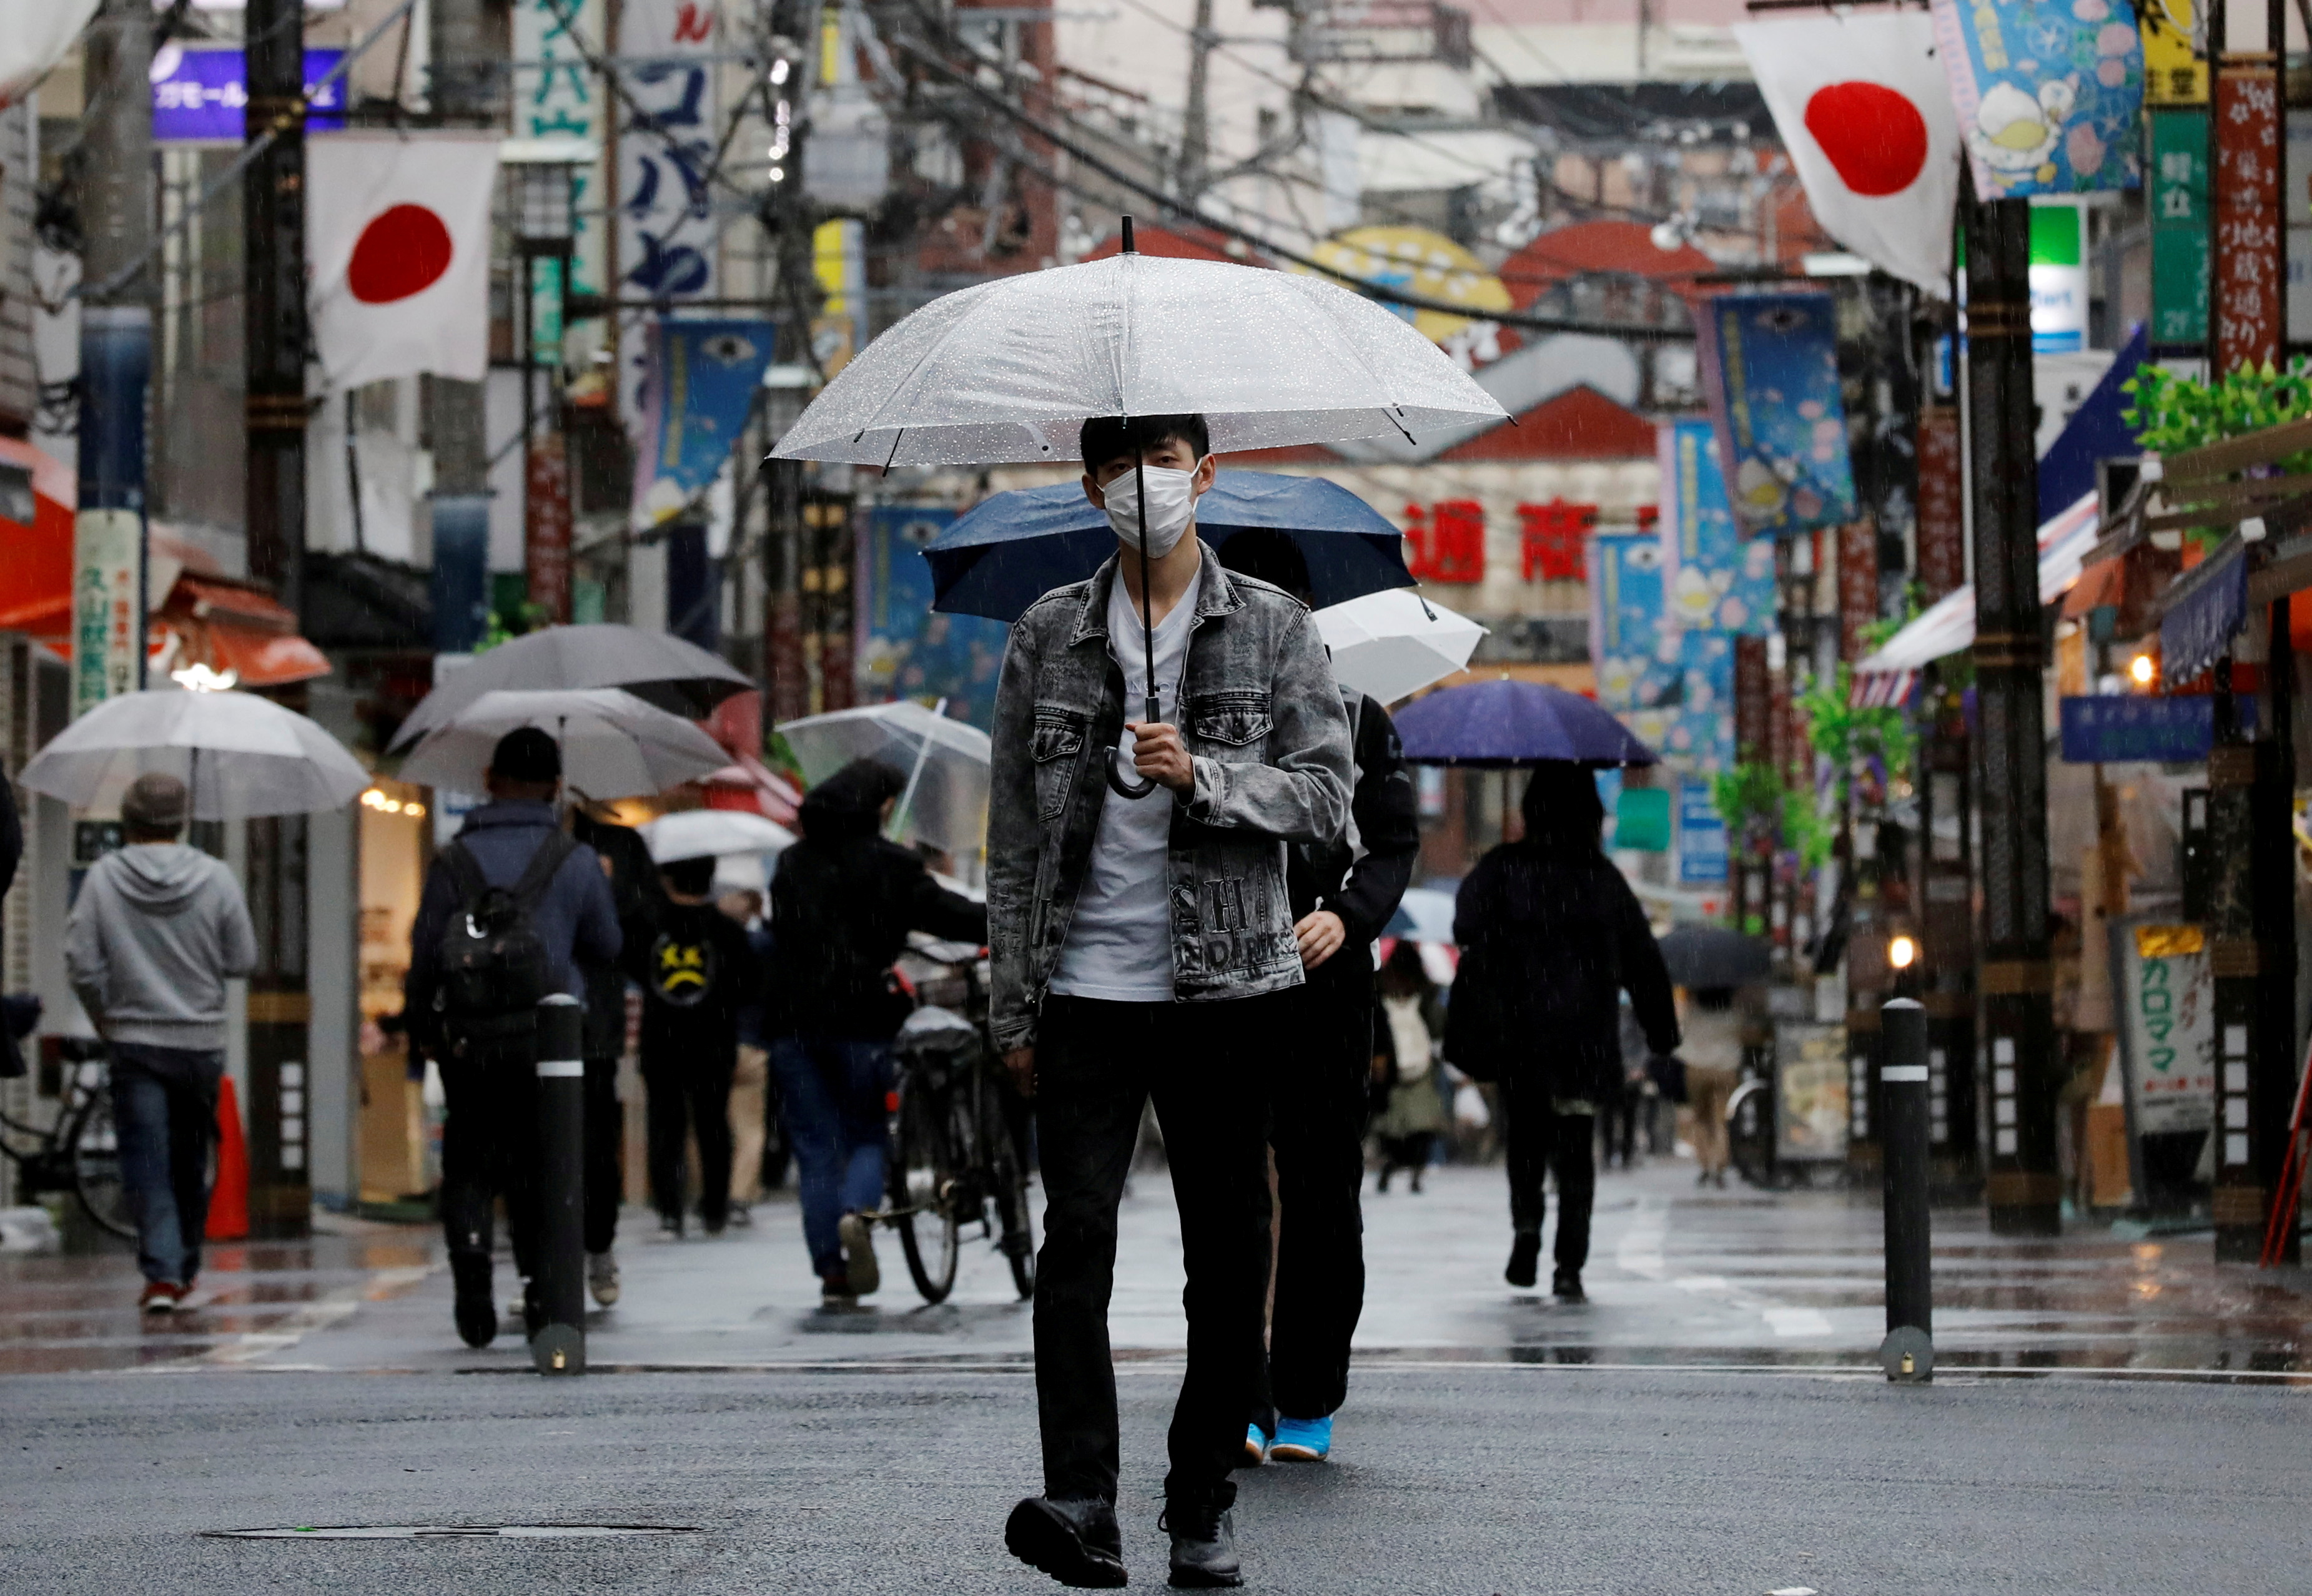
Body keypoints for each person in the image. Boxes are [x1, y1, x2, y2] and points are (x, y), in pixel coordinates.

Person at [990, 413, 1352, 1590]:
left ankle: (1200, 1496)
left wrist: (1204, 775)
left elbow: (1325, 804)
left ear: (1203, 475)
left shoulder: (1273, 625)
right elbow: (1008, 844)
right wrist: (1011, 1011)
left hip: (1228, 987)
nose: (1142, 488)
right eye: (1118, 468)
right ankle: (1081, 1499)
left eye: (1164, 465)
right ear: (1087, 484)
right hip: (1083, 988)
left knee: (1227, 1249)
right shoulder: (1047, 635)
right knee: (1074, 1241)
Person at [1215, 530, 1417, 1470]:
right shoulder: (1189, 710)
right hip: (1215, 976)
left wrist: (1346, 916)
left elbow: (1392, 844)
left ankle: (1305, 1394)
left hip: (1325, 982)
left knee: (1321, 1188)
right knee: (1224, 1191)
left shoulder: (1359, 713)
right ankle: (1233, 1390)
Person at [406, 728, 620, 1348]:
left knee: (470, 1161)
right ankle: (537, 1283)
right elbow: (608, 946)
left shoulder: (453, 860)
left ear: (490, 779)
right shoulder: (573, 857)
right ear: (556, 788)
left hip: (470, 1040)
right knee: (541, 1165)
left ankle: (472, 1266)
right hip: (549, 1041)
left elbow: (425, 952)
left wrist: (421, 1023)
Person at [1448, 764, 1677, 1303]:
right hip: (1584, 1042)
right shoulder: (1603, 878)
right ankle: (1569, 1265)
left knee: (1525, 1139)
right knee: (1577, 1150)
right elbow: (1643, 960)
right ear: (1591, 815)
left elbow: (1465, 927)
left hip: (1520, 1037)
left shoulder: (1501, 870)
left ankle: (1527, 1226)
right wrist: (1661, 1032)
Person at [766, 758, 986, 1300]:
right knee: (867, 1134)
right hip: (865, 1020)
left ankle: (832, 1272)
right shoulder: (891, 864)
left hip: (793, 1023)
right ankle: (857, 1216)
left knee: (816, 1149)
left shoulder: (792, 863)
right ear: (881, 805)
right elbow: (948, 915)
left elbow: (785, 937)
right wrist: (1003, 920)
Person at [64, 772, 255, 1313]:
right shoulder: (216, 877)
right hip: (198, 1043)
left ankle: (164, 1275)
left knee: (145, 1162)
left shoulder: (103, 879)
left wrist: (104, 1012)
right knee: (190, 1159)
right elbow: (242, 958)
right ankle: (183, 1264)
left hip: (133, 1039)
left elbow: (80, 959)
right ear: (182, 821)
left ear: (128, 820)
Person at [628, 854, 756, 1237]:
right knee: (713, 1125)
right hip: (714, 1041)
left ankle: (670, 1210)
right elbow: (748, 985)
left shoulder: (646, 924)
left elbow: (632, 966)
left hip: (661, 1040)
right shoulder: (728, 931)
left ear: (667, 879)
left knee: (665, 1124)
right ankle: (714, 1207)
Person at [571, 804, 663, 1306]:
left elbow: (638, 933)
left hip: (591, 1022)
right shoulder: (510, 845)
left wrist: (609, 896)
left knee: (593, 1143)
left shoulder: (616, 847)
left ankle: (598, 1244)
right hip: (528, 1017)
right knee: (531, 1145)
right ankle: (539, 1263)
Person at [1371, 941, 1447, 1194]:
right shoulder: (1425, 994)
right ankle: (1413, 1169)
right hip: (1420, 1070)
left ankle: (1392, 1165)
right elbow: (1438, 1026)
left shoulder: (1379, 991)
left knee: (1394, 1130)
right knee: (1420, 1129)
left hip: (1392, 1070)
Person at [719, 885, 774, 1224]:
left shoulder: (716, 943)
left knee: (713, 1122)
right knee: (750, 1126)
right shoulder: (765, 945)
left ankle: (712, 1192)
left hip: (716, 1042)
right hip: (752, 1041)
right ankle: (739, 1196)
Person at [1678, 987, 1743, 1188]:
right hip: (1725, 1070)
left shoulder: (1692, 1014)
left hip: (1696, 1069)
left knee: (1700, 1118)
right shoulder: (1734, 1016)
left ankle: (1705, 1164)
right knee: (1721, 1119)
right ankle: (1720, 1163)